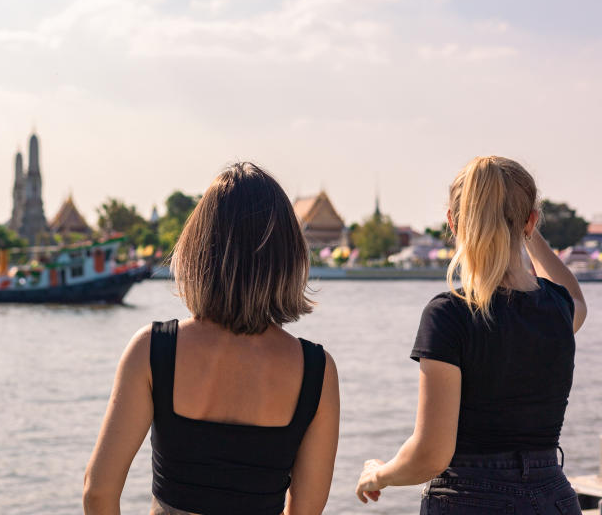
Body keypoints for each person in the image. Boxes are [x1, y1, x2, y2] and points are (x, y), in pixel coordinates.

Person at [84, 162, 339, 515]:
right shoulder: (317, 370)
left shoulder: (153, 349)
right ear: (289, 258)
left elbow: (98, 493)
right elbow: (307, 510)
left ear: (197, 251)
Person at [355, 156, 588, 513]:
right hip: (552, 497)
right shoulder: (558, 309)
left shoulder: (449, 315)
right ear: (531, 221)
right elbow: (574, 295)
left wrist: (379, 475)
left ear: (452, 221)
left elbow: (431, 454)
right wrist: (526, 228)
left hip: (470, 499)